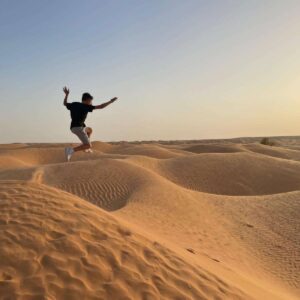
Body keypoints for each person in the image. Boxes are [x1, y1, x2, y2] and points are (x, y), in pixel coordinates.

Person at [63, 86, 118, 161]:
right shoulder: (86, 106)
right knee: (88, 145)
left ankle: (86, 148)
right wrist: (111, 101)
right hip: (78, 128)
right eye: (90, 101)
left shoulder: (74, 104)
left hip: (74, 127)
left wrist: (66, 95)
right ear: (86, 100)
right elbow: (101, 106)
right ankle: (71, 150)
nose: (91, 103)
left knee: (89, 130)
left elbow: (65, 103)